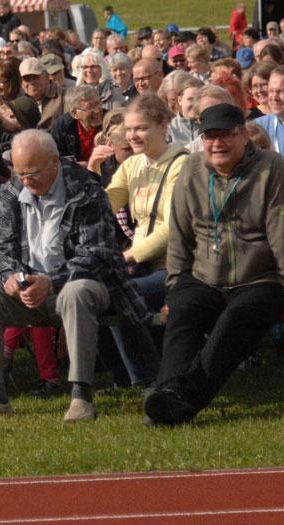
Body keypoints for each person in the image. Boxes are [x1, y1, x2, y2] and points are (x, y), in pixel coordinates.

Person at [0, 130, 149, 422]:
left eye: (32, 173)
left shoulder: (86, 189)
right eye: (19, 172)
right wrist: (10, 277)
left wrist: (52, 281)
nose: (25, 180)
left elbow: (98, 254)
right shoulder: (12, 192)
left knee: (77, 292)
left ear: (54, 162)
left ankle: (81, 396)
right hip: (29, 288)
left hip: (83, 287)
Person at [144, 104, 284, 426]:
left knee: (235, 320)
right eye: (210, 137)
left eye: (226, 136)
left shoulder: (271, 169)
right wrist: (174, 289)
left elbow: (283, 239)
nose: (217, 144)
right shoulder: (191, 169)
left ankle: (179, 397)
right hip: (203, 275)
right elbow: (179, 236)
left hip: (259, 278)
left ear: (244, 135)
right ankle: (169, 394)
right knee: (184, 313)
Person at [104, 93, 186, 386]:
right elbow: (106, 205)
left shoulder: (182, 164)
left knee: (119, 294)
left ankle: (148, 377)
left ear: (164, 125)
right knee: (94, 291)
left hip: (173, 265)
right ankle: (125, 374)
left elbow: (173, 226)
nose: (132, 136)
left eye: (140, 128)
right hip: (140, 263)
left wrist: (128, 257)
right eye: (128, 129)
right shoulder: (132, 165)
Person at [18, 58, 64, 128]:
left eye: (35, 77)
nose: (31, 82)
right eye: (26, 78)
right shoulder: (17, 102)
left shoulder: (63, 97)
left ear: (47, 77)